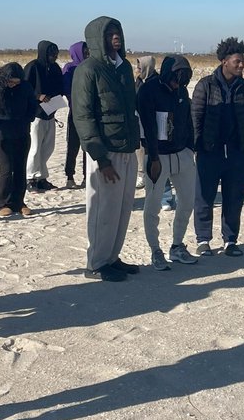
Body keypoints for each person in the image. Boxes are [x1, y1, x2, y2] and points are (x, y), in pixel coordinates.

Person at [71, 16, 140, 281]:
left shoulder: (122, 68)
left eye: (118, 31)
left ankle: (112, 257)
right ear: (97, 38)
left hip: (127, 147)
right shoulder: (88, 70)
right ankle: (96, 263)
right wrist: (100, 157)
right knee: (103, 209)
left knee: (122, 208)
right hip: (105, 151)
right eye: (110, 32)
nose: (116, 36)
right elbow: (83, 117)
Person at [191, 37, 244, 257]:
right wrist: (199, 146)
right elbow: (196, 119)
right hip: (210, 152)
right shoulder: (205, 85)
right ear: (224, 61)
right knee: (204, 197)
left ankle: (230, 240)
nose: (241, 65)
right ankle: (203, 239)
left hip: (238, 153)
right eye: (237, 61)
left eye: (243, 61)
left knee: (234, 198)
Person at [137, 55, 200, 270]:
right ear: (167, 74)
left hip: (182, 154)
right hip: (157, 156)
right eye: (175, 80)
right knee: (153, 205)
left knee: (187, 202)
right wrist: (153, 157)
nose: (177, 86)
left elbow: (188, 121)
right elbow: (147, 126)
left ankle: (177, 246)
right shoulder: (148, 90)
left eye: (182, 82)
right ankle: (155, 249)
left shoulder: (181, 91)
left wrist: (190, 148)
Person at [0, 62, 39, 217]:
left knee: (20, 169)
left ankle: (19, 202)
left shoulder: (25, 87)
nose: (13, 85)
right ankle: (1, 204)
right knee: (6, 169)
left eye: (16, 82)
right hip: (1, 135)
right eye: (10, 82)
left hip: (22, 133)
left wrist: (29, 117)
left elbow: (33, 105)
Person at [25, 41, 64, 192]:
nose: (54, 57)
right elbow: (25, 88)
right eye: (51, 54)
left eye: (55, 54)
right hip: (36, 115)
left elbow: (59, 87)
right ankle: (30, 178)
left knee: (48, 148)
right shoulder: (32, 67)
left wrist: (56, 98)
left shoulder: (55, 68)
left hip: (50, 113)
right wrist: (38, 96)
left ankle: (41, 178)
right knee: (35, 148)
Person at [61, 41, 88, 189]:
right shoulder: (69, 68)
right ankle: (70, 176)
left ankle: (86, 176)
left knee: (87, 146)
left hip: (89, 113)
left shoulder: (90, 66)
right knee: (72, 145)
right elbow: (66, 89)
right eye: (83, 51)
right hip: (75, 111)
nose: (86, 53)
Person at [134, 55, 157, 189]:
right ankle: (141, 174)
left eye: (139, 67)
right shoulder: (138, 81)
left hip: (152, 120)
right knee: (140, 149)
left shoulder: (155, 82)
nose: (137, 70)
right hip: (138, 119)